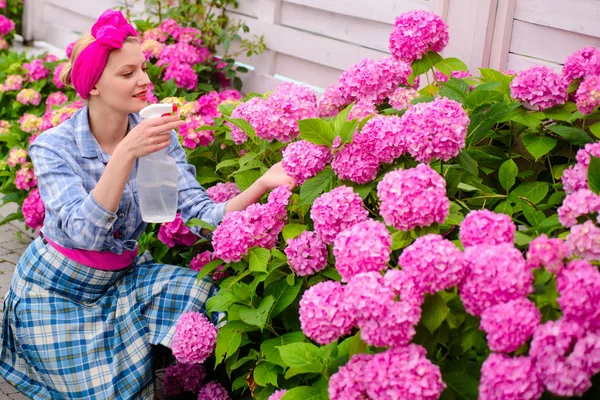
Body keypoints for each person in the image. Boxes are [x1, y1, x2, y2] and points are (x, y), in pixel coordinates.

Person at [0, 9, 295, 399]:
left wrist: (260, 184)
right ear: (93, 87)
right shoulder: (54, 147)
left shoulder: (157, 138)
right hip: (58, 292)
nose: (144, 80)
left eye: (142, 68)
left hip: (122, 279)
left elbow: (202, 218)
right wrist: (125, 155)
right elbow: (82, 233)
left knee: (204, 296)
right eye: (127, 74)